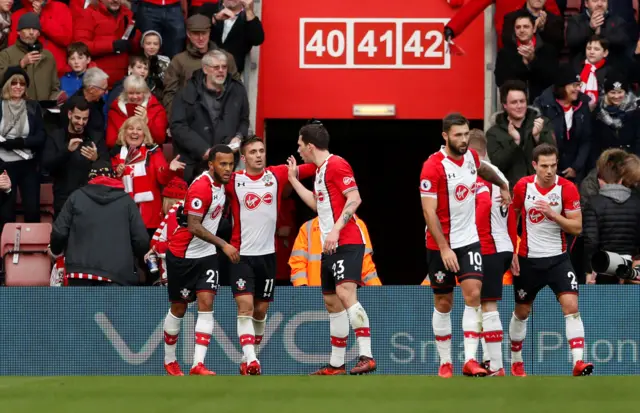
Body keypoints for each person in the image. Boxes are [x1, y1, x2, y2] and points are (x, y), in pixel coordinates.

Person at [420, 113, 511, 378]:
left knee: (473, 295)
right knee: (444, 302)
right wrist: (445, 248)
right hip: (440, 244)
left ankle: (470, 360)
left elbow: (483, 168)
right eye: (458, 135)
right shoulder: (432, 166)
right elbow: (429, 212)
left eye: (466, 134)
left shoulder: (470, 156)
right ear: (445, 136)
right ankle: (445, 361)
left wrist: (503, 185)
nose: (463, 140)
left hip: (469, 240)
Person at [285, 121, 377, 375]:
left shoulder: (337, 164)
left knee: (346, 295)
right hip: (331, 245)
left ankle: (367, 355)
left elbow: (355, 198)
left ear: (311, 146)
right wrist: (293, 181)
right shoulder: (320, 171)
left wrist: (336, 230)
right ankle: (336, 364)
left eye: (300, 145)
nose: (299, 150)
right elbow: (318, 205)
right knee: (332, 302)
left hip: (346, 241)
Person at [225, 136, 316, 375]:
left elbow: (316, 165)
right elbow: (210, 172)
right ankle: (253, 360)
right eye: (252, 152)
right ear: (243, 158)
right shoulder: (234, 180)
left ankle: (248, 358)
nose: (258, 155)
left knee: (260, 310)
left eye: (261, 151)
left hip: (268, 257)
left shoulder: (276, 175)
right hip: (241, 256)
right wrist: (227, 149)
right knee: (244, 307)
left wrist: (311, 155)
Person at [509, 143, 593, 377]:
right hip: (528, 260)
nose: (549, 171)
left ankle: (578, 362)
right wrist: (511, 251)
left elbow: (577, 227)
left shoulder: (567, 188)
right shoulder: (522, 187)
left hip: (558, 259)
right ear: (534, 165)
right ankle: (516, 360)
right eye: (544, 166)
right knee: (522, 312)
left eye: (553, 165)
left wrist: (554, 215)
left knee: (571, 306)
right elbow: (511, 217)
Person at [162, 144, 237, 376]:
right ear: (211, 164)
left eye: (231, 164)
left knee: (207, 305)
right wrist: (224, 244)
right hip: (183, 255)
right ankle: (170, 360)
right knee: (179, 307)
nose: (227, 169)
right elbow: (194, 226)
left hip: (206, 257)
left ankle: (197, 364)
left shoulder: (221, 186)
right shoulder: (201, 187)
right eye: (222, 164)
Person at [49, 162, 150, 286]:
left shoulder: (76, 197)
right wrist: (138, 262)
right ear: (113, 177)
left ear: (90, 177)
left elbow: (59, 233)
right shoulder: (127, 201)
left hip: (79, 273)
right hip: (117, 275)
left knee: (82, 306)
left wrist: (56, 250)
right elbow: (141, 240)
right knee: (111, 306)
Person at [468, 130, 517, 376]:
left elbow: (484, 206)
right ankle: (489, 361)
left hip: (488, 246)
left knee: (487, 306)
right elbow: (512, 214)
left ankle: (496, 366)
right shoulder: (498, 174)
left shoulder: (477, 172)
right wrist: (514, 251)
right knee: (482, 304)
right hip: (504, 246)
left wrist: (468, 240)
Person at [170, 49, 248, 182]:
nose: (221, 71)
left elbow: (244, 120)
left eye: (224, 67)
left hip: (226, 166)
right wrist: (203, 150)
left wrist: (239, 136)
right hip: (195, 165)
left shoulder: (238, 90)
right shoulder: (186, 92)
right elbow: (178, 126)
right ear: (205, 69)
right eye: (216, 67)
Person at [111, 116, 184, 236]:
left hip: (149, 215)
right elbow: (111, 185)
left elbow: (162, 178)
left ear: (145, 135)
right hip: (122, 212)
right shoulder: (115, 155)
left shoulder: (153, 152)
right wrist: (118, 174)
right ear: (124, 133)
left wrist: (170, 169)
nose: (135, 132)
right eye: (130, 128)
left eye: (139, 129)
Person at [43, 95, 108, 217]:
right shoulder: (56, 137)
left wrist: (96, 159)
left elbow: (108, 167)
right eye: (77, 118)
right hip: (64, 198)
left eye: (85, 119)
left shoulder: (96, 137)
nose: (81, 122)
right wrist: (66, 151)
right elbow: (47, 166)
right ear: (69, 115)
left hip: (91, 197)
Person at [583, 149, 640, 284]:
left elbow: (591, 241)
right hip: (632, 268)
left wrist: (589, 270)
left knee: (604, 304)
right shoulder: (637, 203)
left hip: (603, 268)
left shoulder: (594, 203)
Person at [486, 80, 555, 189]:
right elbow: (498, 164)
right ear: (505, 105)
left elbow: (553, 154)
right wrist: (515, 142)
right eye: (514, 102)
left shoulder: (542, 123)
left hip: (541, 190)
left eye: (522, 101)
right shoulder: (494, 132)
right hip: (511, 192)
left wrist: (537, 137)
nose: (519, 106)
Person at [0, 66, 45, 224]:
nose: (18, 86)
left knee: (32, 210)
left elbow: (41, 136)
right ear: (7, 84)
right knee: (5, 211)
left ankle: (32, 245)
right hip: (4, 164)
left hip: (28, 164)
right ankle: (5, 246)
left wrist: (22, 142)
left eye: (22, 83)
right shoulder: (0, 105)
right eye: (14, 83)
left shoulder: (33, 106)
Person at [534, 65, 592, 183]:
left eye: (578, 85)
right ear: (562, 86)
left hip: (576, 173)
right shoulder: (542, 105)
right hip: (548, 171)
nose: (577, 89)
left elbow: (586, 139)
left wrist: (576, 167)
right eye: (573, 85)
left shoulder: (583, 105)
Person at [289, 214, 381, 287]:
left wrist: (377, 293)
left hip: (347, 298)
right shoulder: (308, 228)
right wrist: (302, 291)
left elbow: (366, 266)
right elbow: (298, 263)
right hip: (315, 297)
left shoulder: (358, 225)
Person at [74, 0, 141, 89]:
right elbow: (81, 47)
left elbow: (136, 48)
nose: (115, 0)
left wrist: (135, 38)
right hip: (97, 82)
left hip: (124, 81)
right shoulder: (89, 13)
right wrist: (112, 46)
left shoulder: (128, 14)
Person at [494, 11, 558, 103]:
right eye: (518, 27)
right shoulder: (505, 53)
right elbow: (500, 81)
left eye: (526, 26)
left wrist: (533, 60)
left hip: (543, 104)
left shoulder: (548, 50)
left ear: (534, 29)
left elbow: (551, 79)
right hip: (514, 104)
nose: (522, 30)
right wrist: (523, 64)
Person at [0, 12, 62, 101]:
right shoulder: (6, 55)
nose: (31, 32)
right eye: (27, 29)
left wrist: (55, 99)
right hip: (17, 110)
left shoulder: (48, 57)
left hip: (43, 111)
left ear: (39, 33)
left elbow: (55, 87)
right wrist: (20, 64)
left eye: (35, 29)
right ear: (18, 32)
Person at [9, 0, 73, 78]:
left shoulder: (61, 8)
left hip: (58, 74)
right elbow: (12, 50)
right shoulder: (17, 15)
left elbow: (66, 39)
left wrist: (41, 18)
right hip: (28, 77)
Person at [589, 74, 640, 170]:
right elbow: (594, 144)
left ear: (625, 92)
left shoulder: (635, 112)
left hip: (630, 164)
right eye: (612, 92)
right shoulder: (598, 113)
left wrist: (636, 164)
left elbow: (638, 140)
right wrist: (597, 167)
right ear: (606, 93)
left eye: (620, 92)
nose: (616, 96)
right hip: (606, 164)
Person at [200, 0, 265, 75]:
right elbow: (194, 29)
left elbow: (257, 40)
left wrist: (248, 10)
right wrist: (215, 18)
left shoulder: (248, 19)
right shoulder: (208, 8)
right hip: (204, 69)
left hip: (231, 75)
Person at [106, 74, 167, 148]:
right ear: (125, 93)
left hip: (150, 154)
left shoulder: (156, 109)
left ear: (144, 93)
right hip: (122, 153)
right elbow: (110, 142)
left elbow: (160, 140)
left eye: (138, 93)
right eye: (131, 93)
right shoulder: (115, 110)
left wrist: (147, 121)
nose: (135, 97)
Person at [567, 0, 630, 68]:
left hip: (611, 68)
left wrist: (601, 33)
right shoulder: (576, 20)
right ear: (586, 4)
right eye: (595, 1)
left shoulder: (617, 21)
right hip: (581, 67)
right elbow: (572, 41)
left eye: (603, 1)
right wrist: (590, 28)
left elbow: (622, 42)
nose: (600, 4)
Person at [149, 177, 188, 286]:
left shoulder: (175, 213)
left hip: (173, 276)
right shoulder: (184, 212)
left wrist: (155, 248)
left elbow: (174, 246)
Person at [59, 67, 108, 140]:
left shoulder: (97, 102)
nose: (106, 92)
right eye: (104, 89)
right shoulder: (72, 106)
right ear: (92, 89)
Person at [576, 35, 612, 110]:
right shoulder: (577, 67)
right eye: (589, 48)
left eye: (596, 49)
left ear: (605, 53)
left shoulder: (609, 71)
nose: (591, 52)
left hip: (602, 112)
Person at [140, 31, 170, 101]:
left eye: (155, 44)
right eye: (148, 43)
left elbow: (168, 83)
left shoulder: (166, 61)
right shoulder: (137, 61)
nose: (152, 47)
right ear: (142, 45)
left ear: (159, 46)